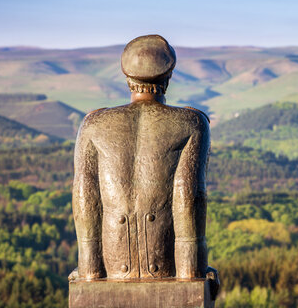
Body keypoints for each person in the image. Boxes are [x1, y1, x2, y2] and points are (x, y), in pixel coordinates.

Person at [71, 35, 215, 284]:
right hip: (167, 267)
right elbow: (189, 197)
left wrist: (89, 271)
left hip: (112, 266)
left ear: (128, 79)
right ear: (168, 77)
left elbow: (85, 196)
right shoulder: (192, 123)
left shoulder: (93, 124)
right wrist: (192, 274)